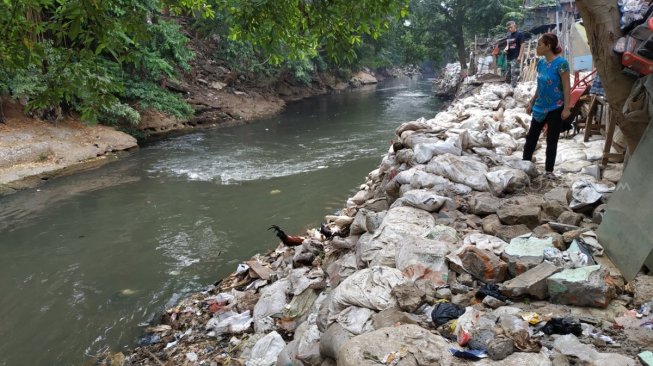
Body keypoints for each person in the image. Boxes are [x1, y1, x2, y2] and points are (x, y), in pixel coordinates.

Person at [523, 33, 571, 179]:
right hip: (539, 106)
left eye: (539, 44)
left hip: (556, 107)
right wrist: (532, 101)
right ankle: (524, 166)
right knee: (531, 138)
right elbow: (540, 85)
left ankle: (549, 171)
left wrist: (567, 108)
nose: (536, 47)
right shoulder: (541, 63)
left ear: (548, 46)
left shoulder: (561, 64)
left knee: (552, 140)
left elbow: (566, 87)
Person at [504, 21, 525, 88]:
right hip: (508, 57)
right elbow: (508, 46)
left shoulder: (520, 34)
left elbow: (523, 45)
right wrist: (505, 50)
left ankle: (513, 88)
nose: (509, 29)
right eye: (508, 28)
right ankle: (508, 88)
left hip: (515, 57)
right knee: (508, 73)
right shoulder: (509, 36)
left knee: (514, 73)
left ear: (514, 26)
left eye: (511, 27)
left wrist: (519, 56)